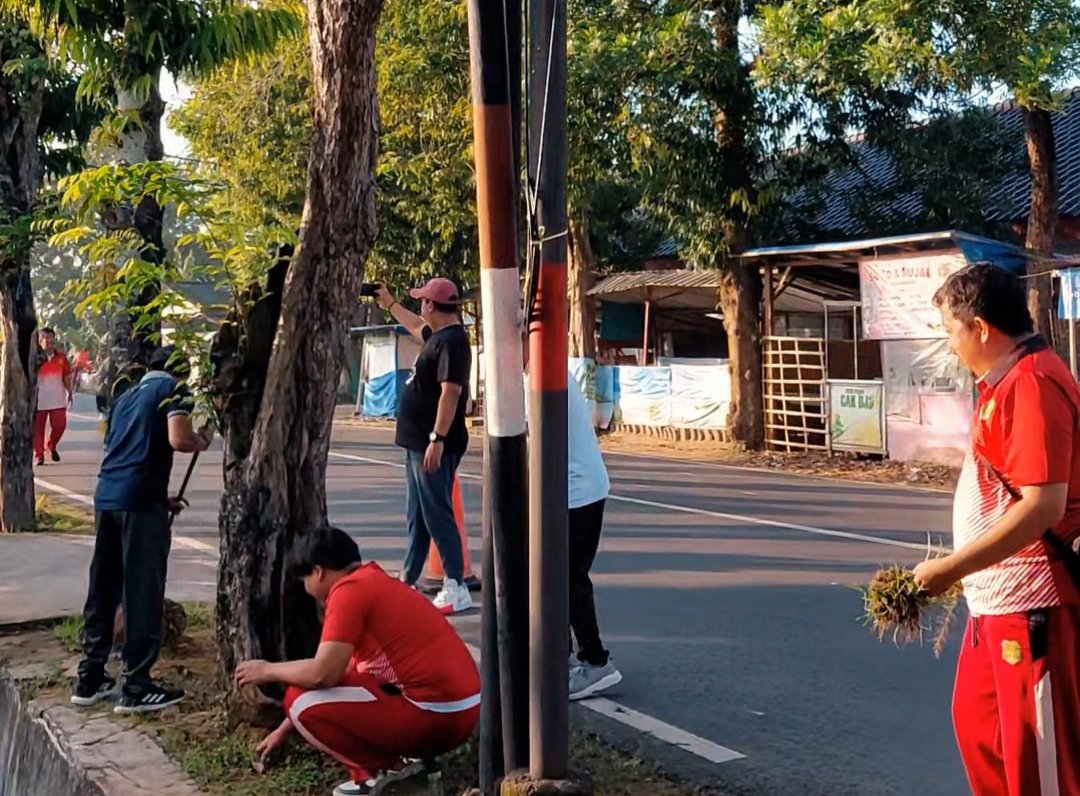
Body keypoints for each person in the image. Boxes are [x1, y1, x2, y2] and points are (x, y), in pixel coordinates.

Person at [913, 263, 1080, 795]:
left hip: (1034, 604)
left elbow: (1042, 507)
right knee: (980, 730)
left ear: (980, 328)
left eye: (950, 331)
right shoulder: (1003, 381)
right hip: (994, 603)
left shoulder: (1032, 383)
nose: (950, 345)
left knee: (1038, 757)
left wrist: (952, 568)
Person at [237, 526, 480, 796]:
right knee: (305, 699)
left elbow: (323, 674)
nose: (306, 588)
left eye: (304, 579)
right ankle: (403, 772)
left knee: (299, 699)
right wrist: (284, 729)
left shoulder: (348, 592)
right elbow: (346, 675)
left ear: (318, 572)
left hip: (435, 715)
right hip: (461, 713)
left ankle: (388, 775)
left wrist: (267, 670)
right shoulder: (374, 582)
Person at [71, 345, 213, 714]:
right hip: (139, 506)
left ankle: (90, 677)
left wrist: (157, 496)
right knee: (142, 588)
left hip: (109, 498)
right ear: (179, 372)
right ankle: (137, 685)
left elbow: (125, 451)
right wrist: (201, 440)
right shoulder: (173, 390)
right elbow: (178, 439)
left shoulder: (125, 396)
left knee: (104, 586)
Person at [375, 278, 473, 614]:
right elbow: (416, 326)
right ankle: (408, 579)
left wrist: (437, 438)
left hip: (433, 444)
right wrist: (389, 303)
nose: (420, 308)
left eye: (422, 302)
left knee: (437, 512)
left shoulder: (453, 343)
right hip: (417, 443)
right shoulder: (440, 336)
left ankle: (456, 585)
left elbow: (451, 393)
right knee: (417, 515)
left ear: (431, 305)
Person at [565, 370, 622, 700]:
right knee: (555, 578)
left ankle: (596, 661)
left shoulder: (547, 376)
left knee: (568, 579)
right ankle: (562, 659)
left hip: (579, 491)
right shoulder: (537, 372)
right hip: (571, 489)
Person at [35, 327, 73, 465]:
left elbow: (67, 376)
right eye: (44, 337)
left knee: (60, 425)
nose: (48, 340)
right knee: (37, 429)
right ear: (39, 341)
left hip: (57, 399)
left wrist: (70, 392)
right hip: (38, 400)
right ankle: (39, 455)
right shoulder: (34, 358)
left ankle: (51, 445)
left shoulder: (61, 358)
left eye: (50, 337)